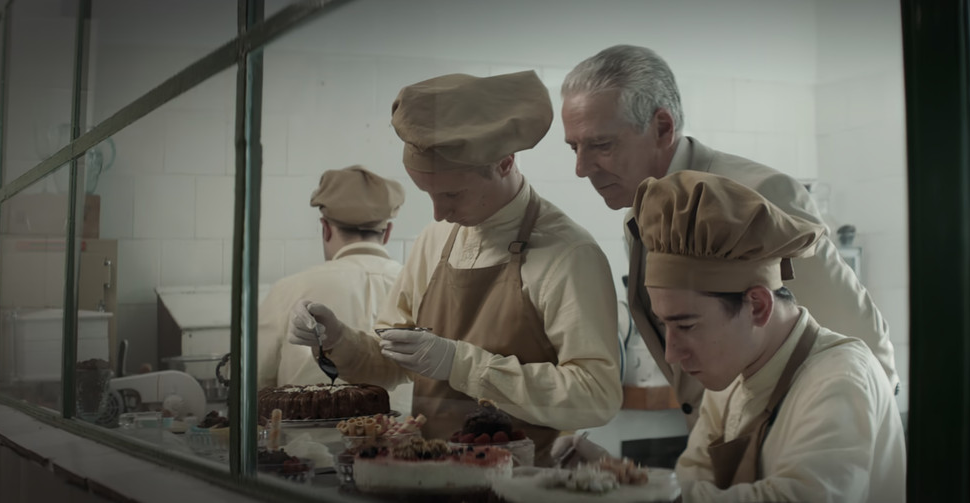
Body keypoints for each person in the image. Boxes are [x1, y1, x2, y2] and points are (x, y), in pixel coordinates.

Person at [287, 71, 623, 465]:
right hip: (427, 478)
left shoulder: (567, 253)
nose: (439, 212)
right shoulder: (436, 240)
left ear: (504, 163)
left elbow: (597, 396)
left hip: (523, 485)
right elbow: (388, 363)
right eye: (428, 194)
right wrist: (337, 339)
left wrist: (461, 364)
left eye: (452, 194)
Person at [559, 44, 899, 427]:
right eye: (574, 147)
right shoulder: (639, 220)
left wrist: (836, 455)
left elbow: (862, 342)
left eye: (601, 145)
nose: (582, 168)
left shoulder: (758, 194)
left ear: (663, 128)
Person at [564, 171, 907, 501]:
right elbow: (691, 483)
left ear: (757, 305)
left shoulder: (840, 379)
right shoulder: (732, 377)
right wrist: (615, 477)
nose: (671, 354)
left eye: (685, 326)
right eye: (664, 325)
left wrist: (641, 493)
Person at [256, 165, 405, 391]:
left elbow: (253, 380)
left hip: (305, 427)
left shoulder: (289, 289)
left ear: (325, 228)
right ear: (388, 231)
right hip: (405, 427)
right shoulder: (415, 285)